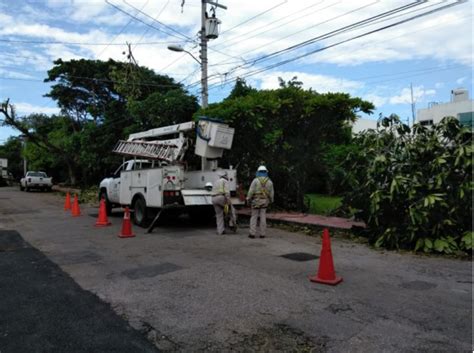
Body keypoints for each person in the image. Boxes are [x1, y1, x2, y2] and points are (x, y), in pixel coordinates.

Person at [246, 165, 274, 239]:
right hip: (265, 201)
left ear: (258, 172)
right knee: (263, 216)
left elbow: (251, 191)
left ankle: (252, 233)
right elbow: (271, 193)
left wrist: (248, 199)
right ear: (266, 172)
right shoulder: (270, 182)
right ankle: (262, 234)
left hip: (256, 200)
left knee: (254, 217)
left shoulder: (255, 180)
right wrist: (271, 200)